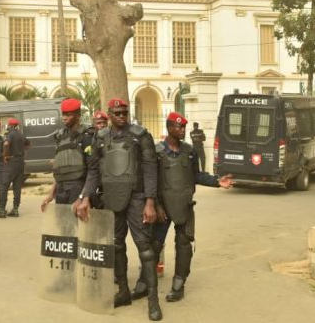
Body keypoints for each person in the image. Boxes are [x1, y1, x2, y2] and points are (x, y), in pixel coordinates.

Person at [131, 112, 233, 303]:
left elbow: (197, 175)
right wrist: (156, 205)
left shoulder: (189, 151)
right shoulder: (157, 152)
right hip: (162, 208)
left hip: (184, 206)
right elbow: (149, 181)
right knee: (153, 246)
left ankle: (179, 284)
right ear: (170, 128)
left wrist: (217, 181)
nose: (183, 130)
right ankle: (144, 282)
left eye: (184, 127)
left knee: (184, 245)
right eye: (179, 127)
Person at [75, 98, 162, 321]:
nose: (122, 116)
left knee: (145, 247)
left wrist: (150, 201)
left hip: (137, 197)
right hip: (111, 198)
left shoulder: (140, 135)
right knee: (116, 246)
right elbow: (93, 170)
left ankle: (153, 300)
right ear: (109, 115)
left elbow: (151, 168)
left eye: (125, 112)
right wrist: (85, 196)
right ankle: (123, 291)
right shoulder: (101, 137)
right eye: (117, 113)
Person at [41, 98, 95, 211]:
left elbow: (92, 170)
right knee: (63, 226)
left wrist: (83, 197)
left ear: (78, 115)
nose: (64, 117)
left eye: (69, 114)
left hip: (78, 187)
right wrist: (52, 194)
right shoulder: (60, 137)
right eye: (63, 114)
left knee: (77, 226)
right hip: (61, 190)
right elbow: (59, 169)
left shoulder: (86, 136)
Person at [0, 118, 29, 218]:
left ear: (10, 126)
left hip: (11, 162)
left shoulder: (10, 134)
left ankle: (1, 210)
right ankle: (15, 209)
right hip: (20, 162)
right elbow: (28, 144)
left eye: (8, 124)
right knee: (17, 187)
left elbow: (6, 144)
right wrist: (20, 152)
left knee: (4, 185)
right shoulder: (21, 134)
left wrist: (5, 156)